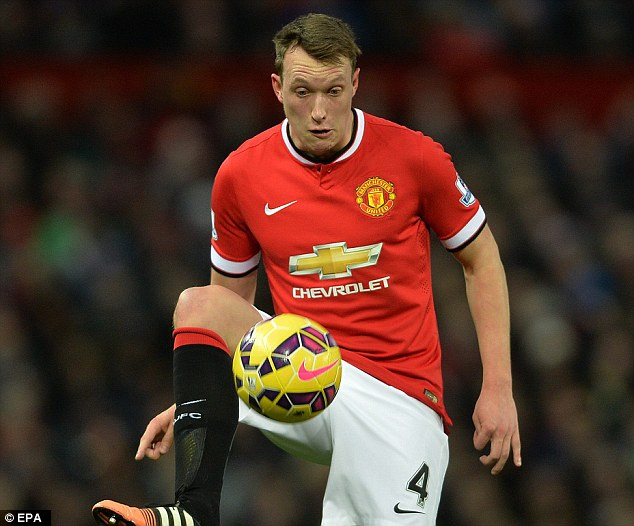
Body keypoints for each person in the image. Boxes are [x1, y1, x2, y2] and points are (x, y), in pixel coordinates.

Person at [93, 12, 521, 526]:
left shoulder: (415, 158)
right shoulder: (241, 174)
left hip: (399, 396)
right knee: (198, 303)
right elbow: (225, 312)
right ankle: (192, 513)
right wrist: (194, 407)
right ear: (277, 88)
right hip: (303, 375)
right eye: (302, 92)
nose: (319, 111)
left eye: (333, 91)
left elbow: (482, 260)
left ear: (355, 83)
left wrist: (498, 388)